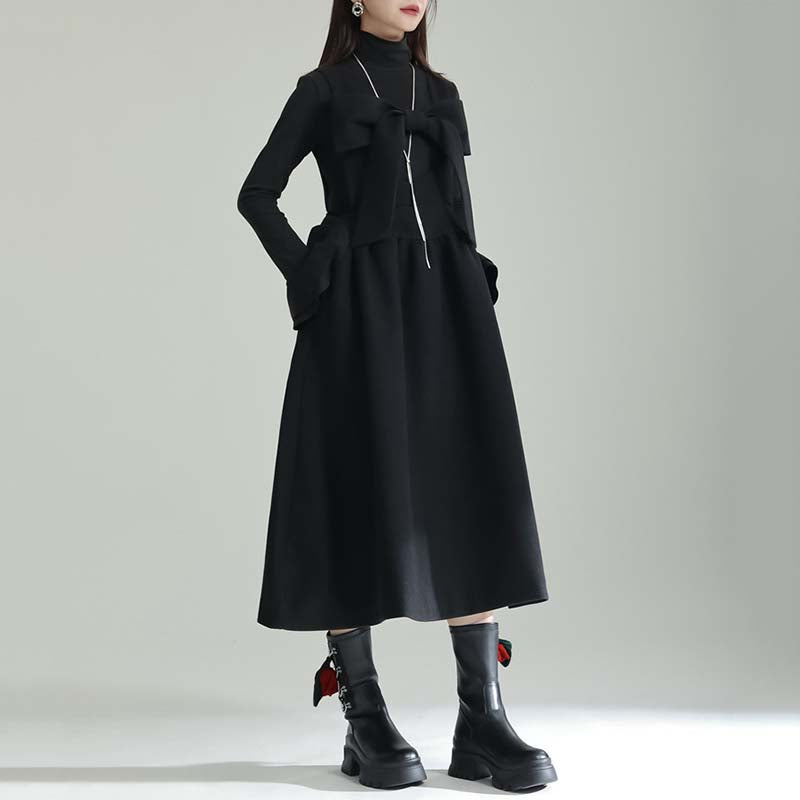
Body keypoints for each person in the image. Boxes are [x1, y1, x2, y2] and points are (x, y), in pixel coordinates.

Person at [236, 0, 557, 791]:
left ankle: (482, 720)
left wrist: (470, 284)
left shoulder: (439, 93)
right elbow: (257, 193)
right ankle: (366, 718)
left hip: (446, 300)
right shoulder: (323, 90)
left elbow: (457, 211)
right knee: (351, 484)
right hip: (356, 312)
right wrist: (314, 273)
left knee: (468, 484)